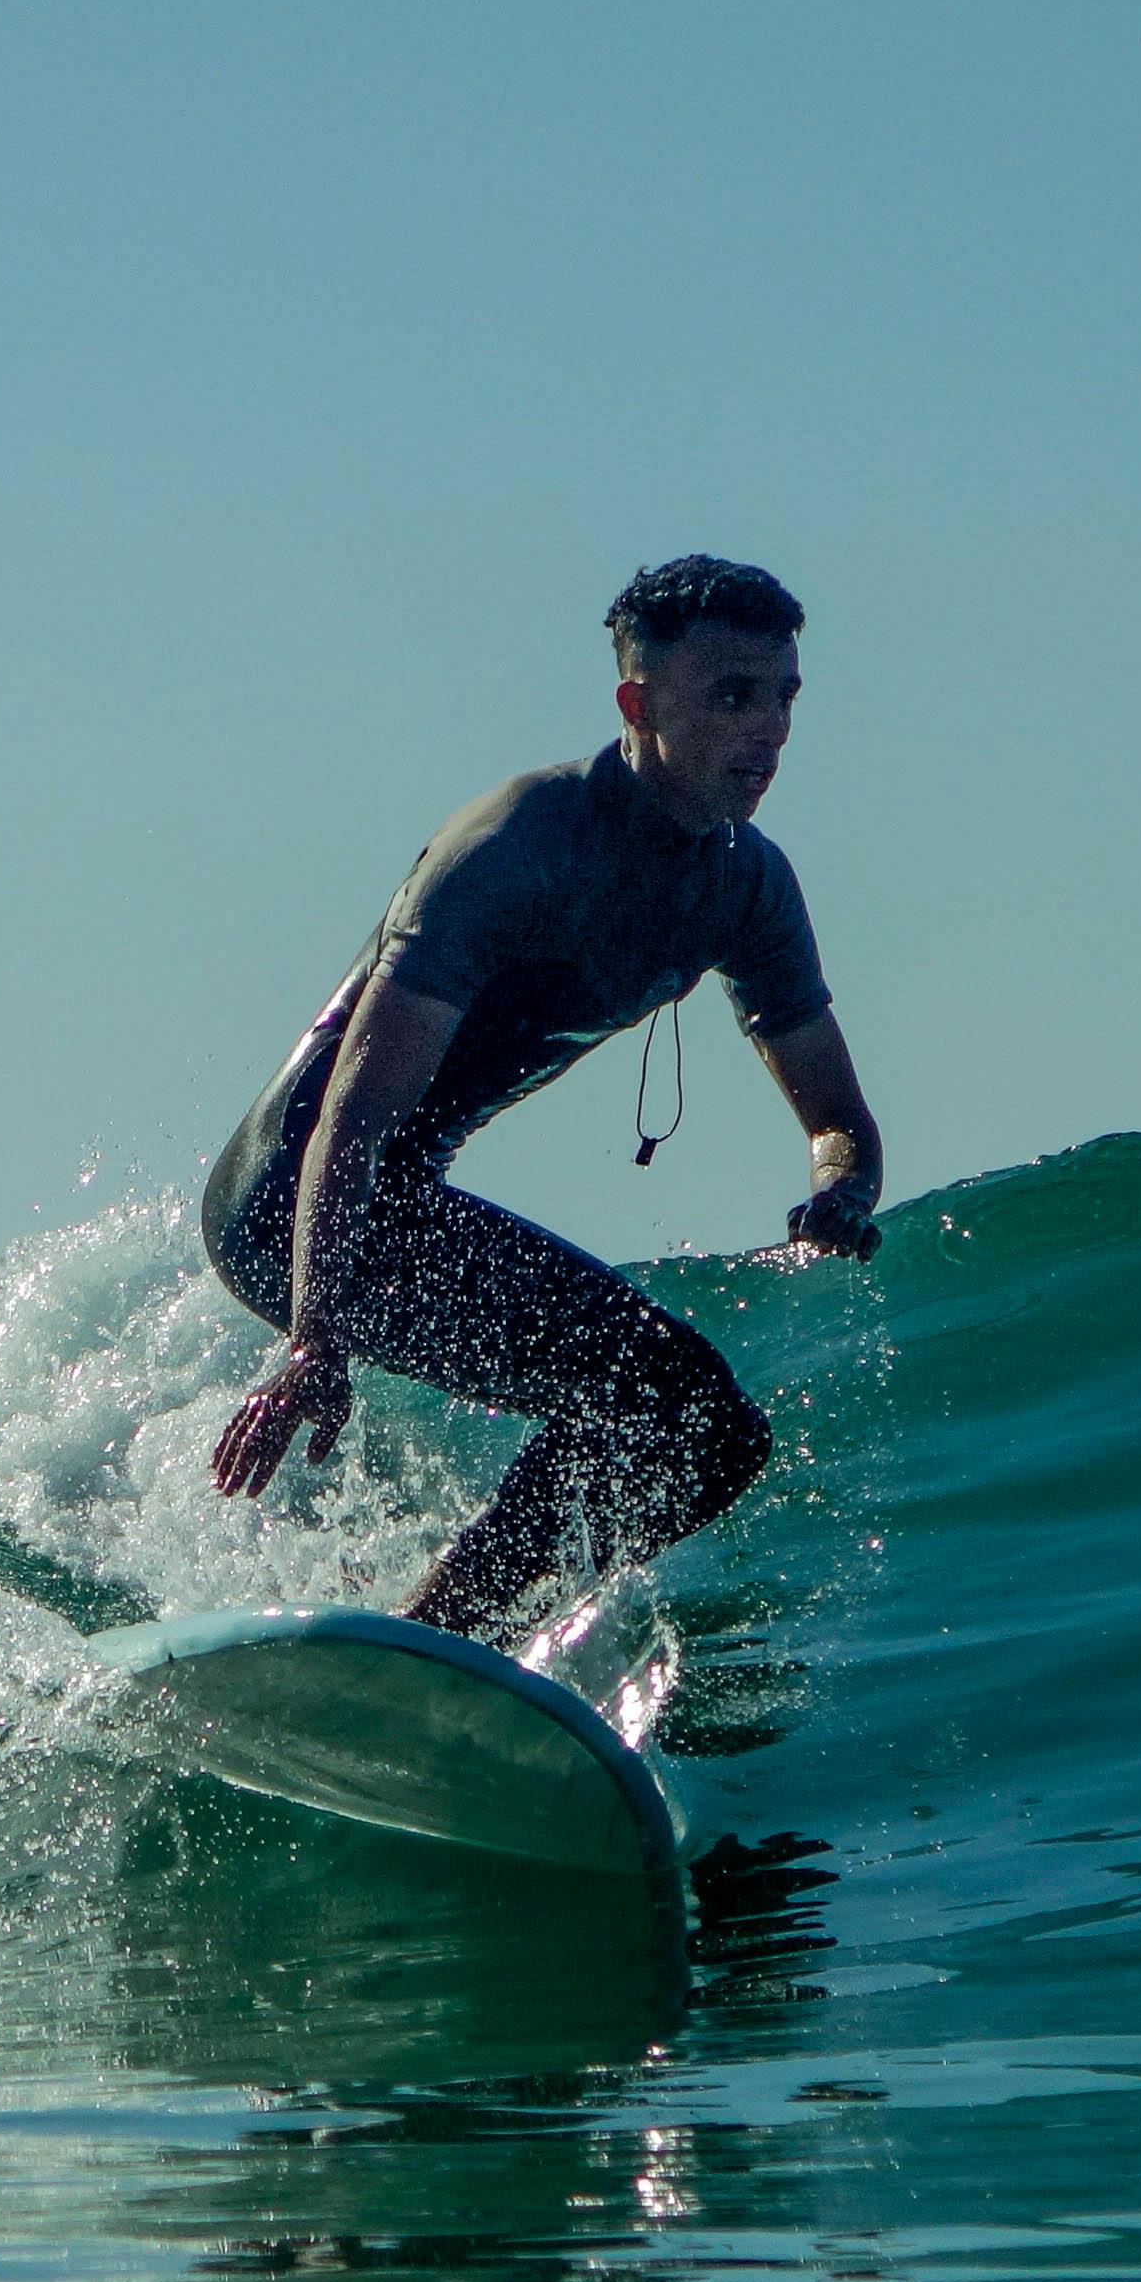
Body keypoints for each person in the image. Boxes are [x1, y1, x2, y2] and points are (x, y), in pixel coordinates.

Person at [202, 554, 884, 1643]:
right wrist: (313, 1343)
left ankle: (445, 1650)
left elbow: (839, 1126)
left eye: (784, 697)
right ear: (637, 703)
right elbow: (354, 1117)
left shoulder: (748, 888)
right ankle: (431, 1650)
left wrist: (840, 1192)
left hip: (396, 1207)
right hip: (292, 1200)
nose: (770, 731)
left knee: (702, 1430)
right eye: (732, 697)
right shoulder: (512, 850)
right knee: (674, 1406)